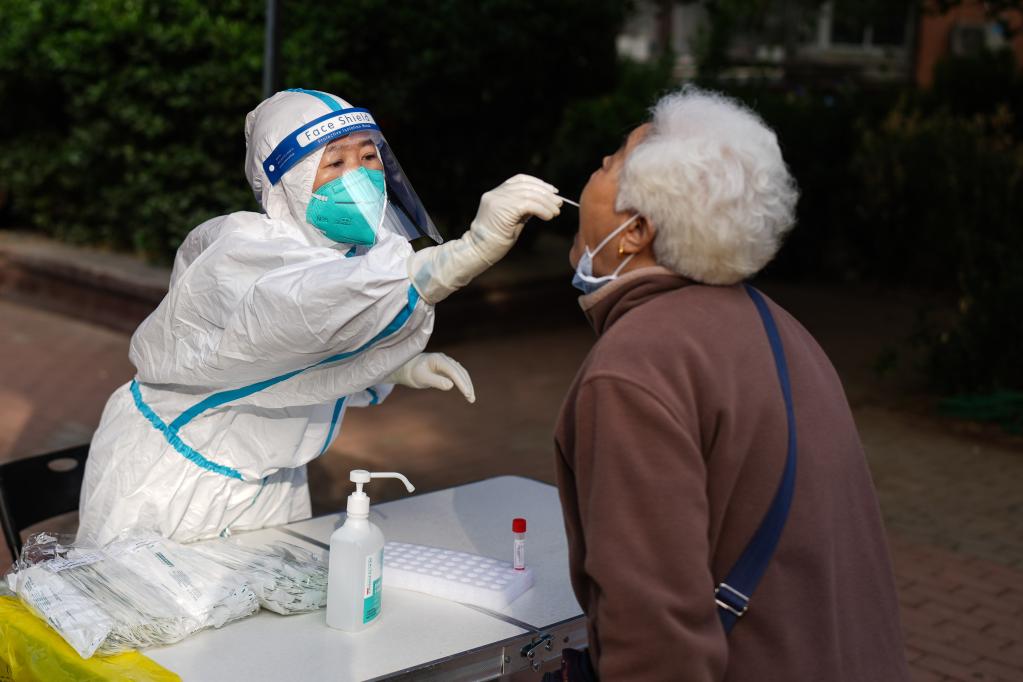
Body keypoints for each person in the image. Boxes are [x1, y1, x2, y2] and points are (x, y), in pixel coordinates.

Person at [78, 88, 563, 545]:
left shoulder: (358, 253)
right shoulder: (241, 252)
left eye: (368, 157)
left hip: (271, 484)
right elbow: (297, 310)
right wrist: (468, 251)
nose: (359, 175)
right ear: (287, 182)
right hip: (168, 483)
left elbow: (302, 355)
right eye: (335, 162)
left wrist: (392, 367)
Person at [553, 87, 909, 681]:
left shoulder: (634, 366)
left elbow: (654, 632)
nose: (594, 171)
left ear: (635, 230)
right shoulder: (778, 324)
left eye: (609, 163)